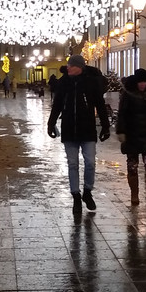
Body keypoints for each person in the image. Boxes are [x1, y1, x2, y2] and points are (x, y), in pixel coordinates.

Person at [47, 55, 109, 214]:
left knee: (90, 162)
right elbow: (58, 105)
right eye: (68, 65)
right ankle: (76, 196)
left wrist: (105, 125)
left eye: (71, 65)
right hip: (69, 129)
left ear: (79, 67)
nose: (68, 67)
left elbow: (100, 105)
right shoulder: (64, 83)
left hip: (87, 129)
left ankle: (87, 192)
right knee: (72, 164)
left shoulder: (91, 83)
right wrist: (51, 123)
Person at [116, 68, 146, 206]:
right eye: (140, 82)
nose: (142, 85)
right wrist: (121, 131)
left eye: (145, 82)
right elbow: (122, 114)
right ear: (136, 83)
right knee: (132, 167)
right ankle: (134, 195)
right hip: (132, 136)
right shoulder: (128, 95)